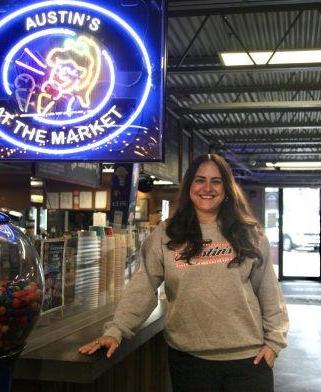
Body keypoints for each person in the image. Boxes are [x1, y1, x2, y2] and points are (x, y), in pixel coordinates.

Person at [79, 153, 289, 392]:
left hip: (248, 360)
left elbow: (270, 293)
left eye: (216, 181)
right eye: (199, 180)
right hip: (190, 362)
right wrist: (116, 330)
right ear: (189, 186)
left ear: (227, 188)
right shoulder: (167, 233)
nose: (207, 188)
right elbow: (143, 286)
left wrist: (274, 343)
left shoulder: (249, 233)